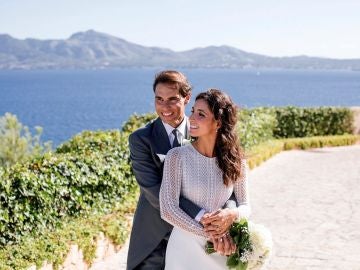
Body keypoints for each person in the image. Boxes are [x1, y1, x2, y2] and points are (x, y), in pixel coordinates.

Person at [127, 71, 236, 270]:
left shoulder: (205, 131)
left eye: (172, 99)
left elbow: (229, 183)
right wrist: (204, 219)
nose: (164, 107)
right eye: (159, 99)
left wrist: (227, 215)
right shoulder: (141, 139)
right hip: (156, 240)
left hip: (202, 242)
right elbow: (155, 191)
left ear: (186, 98)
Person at [160, 89, 251, 270]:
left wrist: (232, 215)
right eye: (192, 111)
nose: (191, 118)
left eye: (201, 114)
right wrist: (212, 235)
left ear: (218, 122)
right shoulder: (177, 156)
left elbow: (246, 205)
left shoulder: (236, 160)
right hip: (185, 250)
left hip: (221, 250)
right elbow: (167, 208)